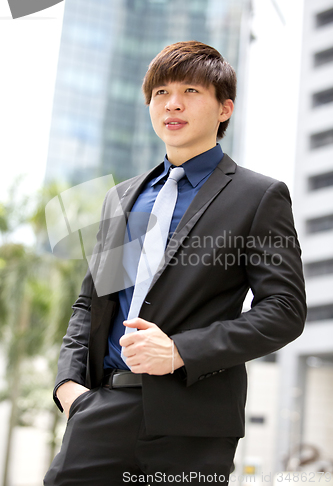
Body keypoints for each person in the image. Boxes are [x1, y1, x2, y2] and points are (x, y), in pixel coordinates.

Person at [44, 41, 306, 486]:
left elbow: (284, 310)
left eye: (191, 90)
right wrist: (68, 388)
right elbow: (90, 304)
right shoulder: (122, 198)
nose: (173, 103)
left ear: (225, 109)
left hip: (194, 422)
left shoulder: (258, 197)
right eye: (161, 92)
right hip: (102, 408)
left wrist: (182, 352)